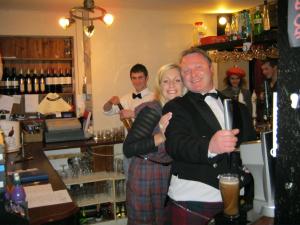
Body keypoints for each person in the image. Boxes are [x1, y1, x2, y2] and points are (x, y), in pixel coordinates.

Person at [162, 47, 256, 225]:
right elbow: (175, 145)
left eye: (198, 67)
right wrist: (210, 146)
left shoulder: (239, 108)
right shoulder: (176, 106)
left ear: (211, 68)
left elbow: (249, 146)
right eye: (186, 71)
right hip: (193, 199)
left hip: (238, 198)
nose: (192, 74)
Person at [123, 63, 185, 225]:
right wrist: (161, 136)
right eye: (166, 81)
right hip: (146, 172)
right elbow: (128, 148)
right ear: (159, 85)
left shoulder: (182, 111)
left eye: (177, 80)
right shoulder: (153, 110)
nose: (171, 85)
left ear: (184, 84)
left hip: (169, 173)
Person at [102, 63, 154, 177]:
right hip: (129, 147)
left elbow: (155, 119)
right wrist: (110, 102)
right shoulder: (126, 98)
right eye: (134, 78)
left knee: (146, 183)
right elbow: (106, 111)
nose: (137, 81)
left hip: (147, 148)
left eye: (140, 77)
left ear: (147, 78)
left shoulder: (154, 98)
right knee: (129, 182)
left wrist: (133, 113)